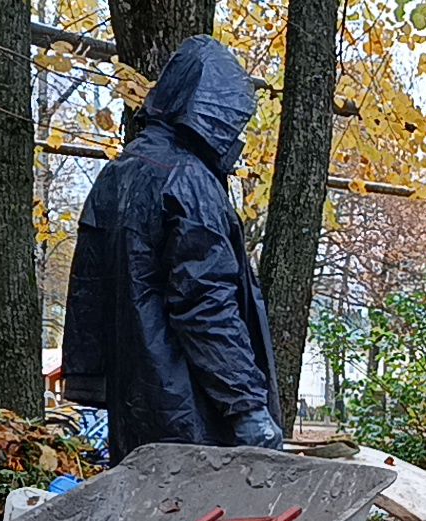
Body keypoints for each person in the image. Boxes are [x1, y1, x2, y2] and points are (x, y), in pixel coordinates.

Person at [61, 35, 285, 465]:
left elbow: (88, 287)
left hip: (137, 410)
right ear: (211, 109)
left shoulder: (117, 173)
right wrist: (247, 405)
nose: (236, 134)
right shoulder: (189, 181)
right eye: (234, 121)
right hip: (194, 414)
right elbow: (206, 303)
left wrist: (90, 380)